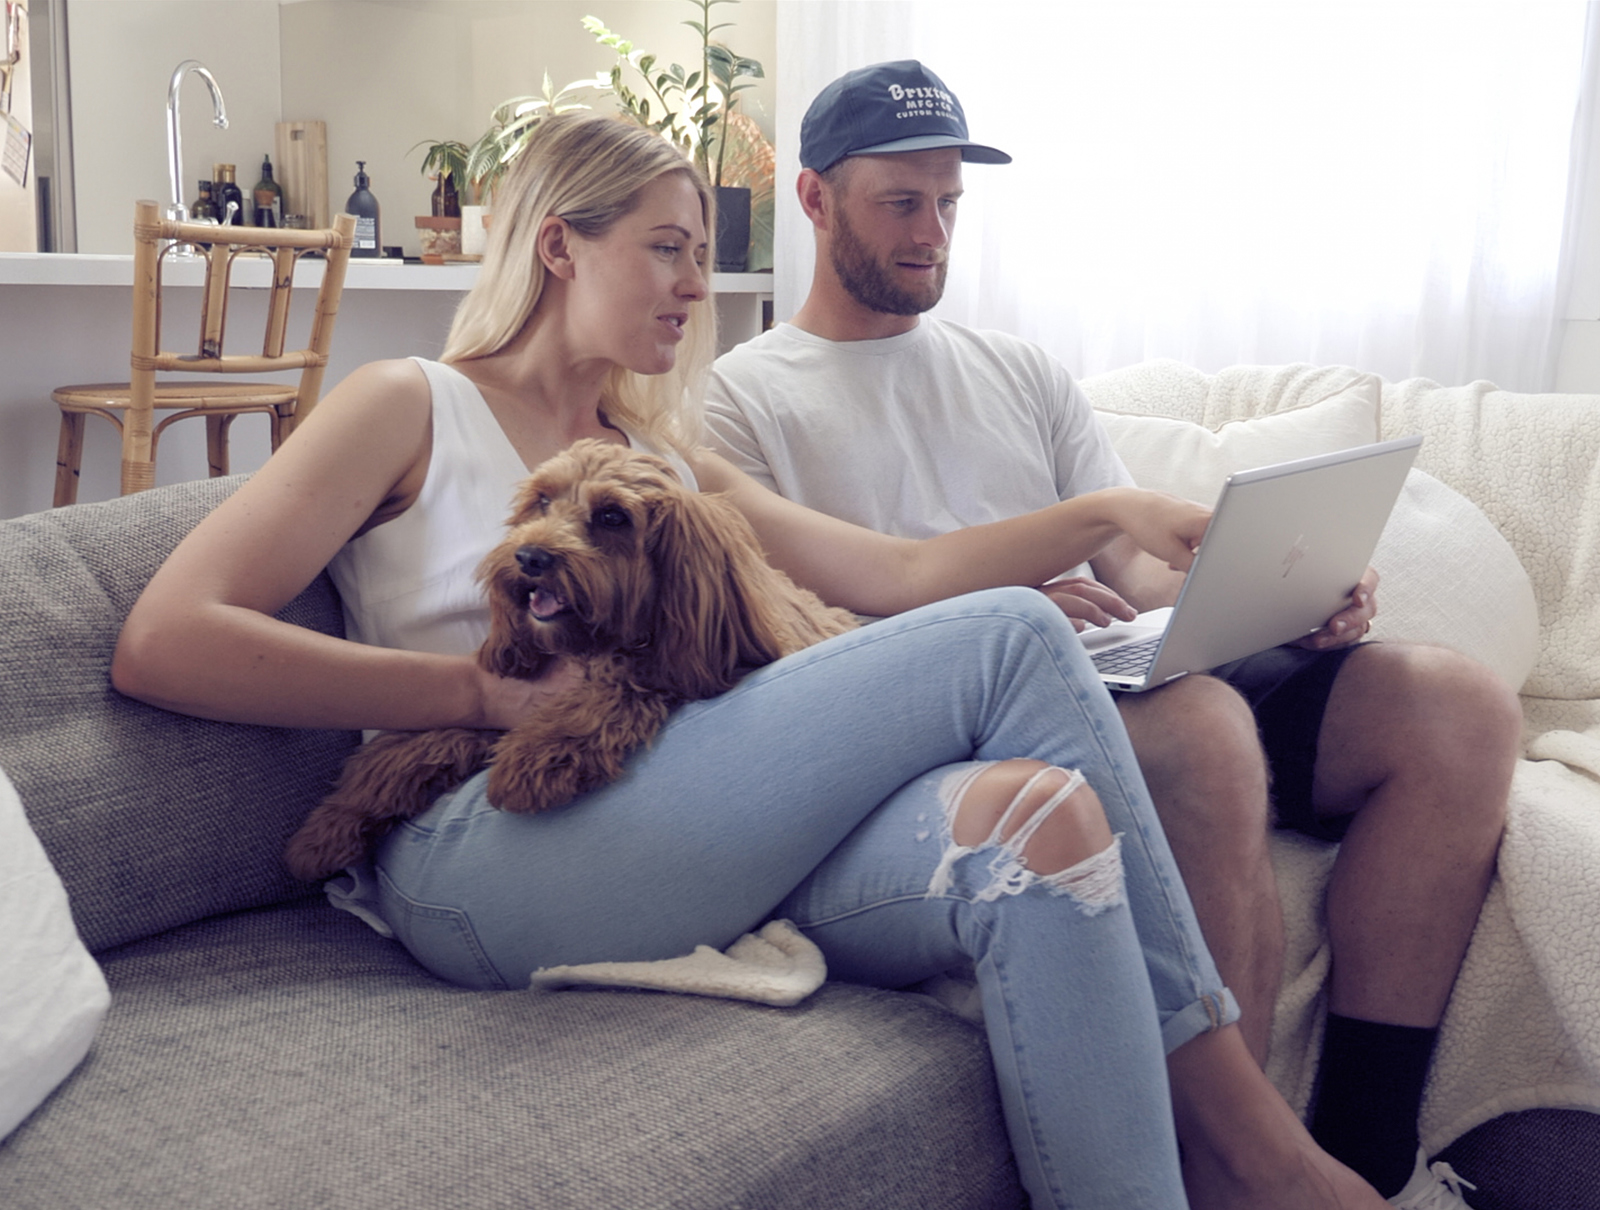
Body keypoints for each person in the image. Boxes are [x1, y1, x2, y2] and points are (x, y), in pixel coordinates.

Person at [111, 111, 1391, 1210]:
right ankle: (1251, 1148)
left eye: (702, 259)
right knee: (1016, 632)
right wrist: (469, 691)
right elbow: (168, 640)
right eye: (665, 250)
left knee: (1035, 824)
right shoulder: (408, 403)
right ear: (560, 244)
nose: (694, 287)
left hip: (662, 812)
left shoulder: (664, 464)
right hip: (481, 848)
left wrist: (1110, 516)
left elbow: (887, 576)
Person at [705, 61, 1522, 1210]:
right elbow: (791, 628)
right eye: (901, 202)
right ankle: (1227, 1166)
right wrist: (1009, 608)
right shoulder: (741, 399)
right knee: (1204, 727)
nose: (932, 231)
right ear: (812, 199)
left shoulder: (1018, 368)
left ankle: (1366, 1153)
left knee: (1458, 707)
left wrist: (1286, 595)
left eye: (949, 202)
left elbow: (1132, 562)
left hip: (1119, 659)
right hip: (975, 710)